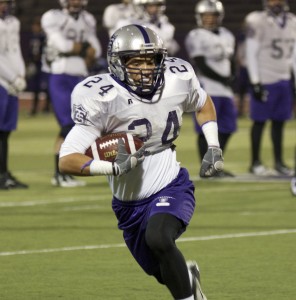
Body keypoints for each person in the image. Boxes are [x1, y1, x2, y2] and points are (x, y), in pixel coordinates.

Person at [59, 24, 224, 300]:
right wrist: (112, 166)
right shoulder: (102, 97)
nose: (145, 68)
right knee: (162, 269)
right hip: (128, 202)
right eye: (135, 61)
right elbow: (67, 159)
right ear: (117, 63)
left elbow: (203, 103)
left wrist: (214, 145)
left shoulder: (177, 77)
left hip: (170, 183)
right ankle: (187, 278)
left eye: (151, 60)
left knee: (159, 238)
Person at [41, 0, 103, 187]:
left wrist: (81, 48)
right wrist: (84, 49)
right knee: (67, 126)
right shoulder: (53, 17)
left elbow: (97, 49)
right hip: (60, 74)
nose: (75, 2)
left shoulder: (88, 19)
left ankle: (64, 172)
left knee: (78, 124)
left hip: (81, 77)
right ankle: (60, 173)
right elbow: (63, 46)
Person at [184, 0, 237, 177]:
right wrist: (224, 79)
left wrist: (232, 77)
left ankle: (216, 165)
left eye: (212, 16)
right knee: (205, 129)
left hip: (225, 89)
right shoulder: (195, 35)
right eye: (205, 16)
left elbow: (231, 60)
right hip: (207, 86)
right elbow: (201, 64)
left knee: (228, 128)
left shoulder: (228, 34)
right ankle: (206, 167)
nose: (209, 19)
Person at [245, 0, 296, 176]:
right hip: (265, 79)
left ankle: (279, 162)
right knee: (259, 122)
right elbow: (251, 52)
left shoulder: (292, 21)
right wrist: (255, 81)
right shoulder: (257, 20)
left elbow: (294, 54)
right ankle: (255, 162)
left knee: (279, 123)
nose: (277, 2)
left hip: (284, 79)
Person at [0, 0, 28, 190]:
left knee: (5, 132)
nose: (4, 6)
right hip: (2, 81)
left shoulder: (13, 22)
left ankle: (4, 173)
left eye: (6, 2)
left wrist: (20, 74)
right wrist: (11, 77)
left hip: (11, 82)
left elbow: (15, 51)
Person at [113, 0, 180, 56]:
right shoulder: (125, 23)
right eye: (150, 6)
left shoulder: (164, 23)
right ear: (139, 7)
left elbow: (170, 47)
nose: (154, 9)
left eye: (156, 5)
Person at [26, 16, 51, 116]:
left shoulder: (43, 37)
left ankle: (46, 108)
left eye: (37, 26)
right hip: (35, 64)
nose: (34, 28)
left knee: (46, 87)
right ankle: (35, 108)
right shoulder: (33, 37)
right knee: (35, 87)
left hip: (42, 64)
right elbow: (31, 51)